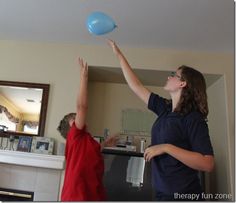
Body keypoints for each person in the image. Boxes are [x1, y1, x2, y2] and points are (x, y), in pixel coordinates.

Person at [108, 40, 214, 201]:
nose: (168, 76)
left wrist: (166, 147)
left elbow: (207, 163)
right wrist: (119, 55)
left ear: (182, 83)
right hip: (161, 192)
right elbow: (136, 86)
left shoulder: (193, 118)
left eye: (174, 74)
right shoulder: (164, 108)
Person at [57, 57, 118, 201]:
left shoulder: (86, 139)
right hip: (77, 196)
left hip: (92, 194)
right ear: (72, 124)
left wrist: (105, 144)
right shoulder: (75, 135)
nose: (79, 117)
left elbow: (91, 153)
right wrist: (83, 77)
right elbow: (82, 107)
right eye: (75, 117)